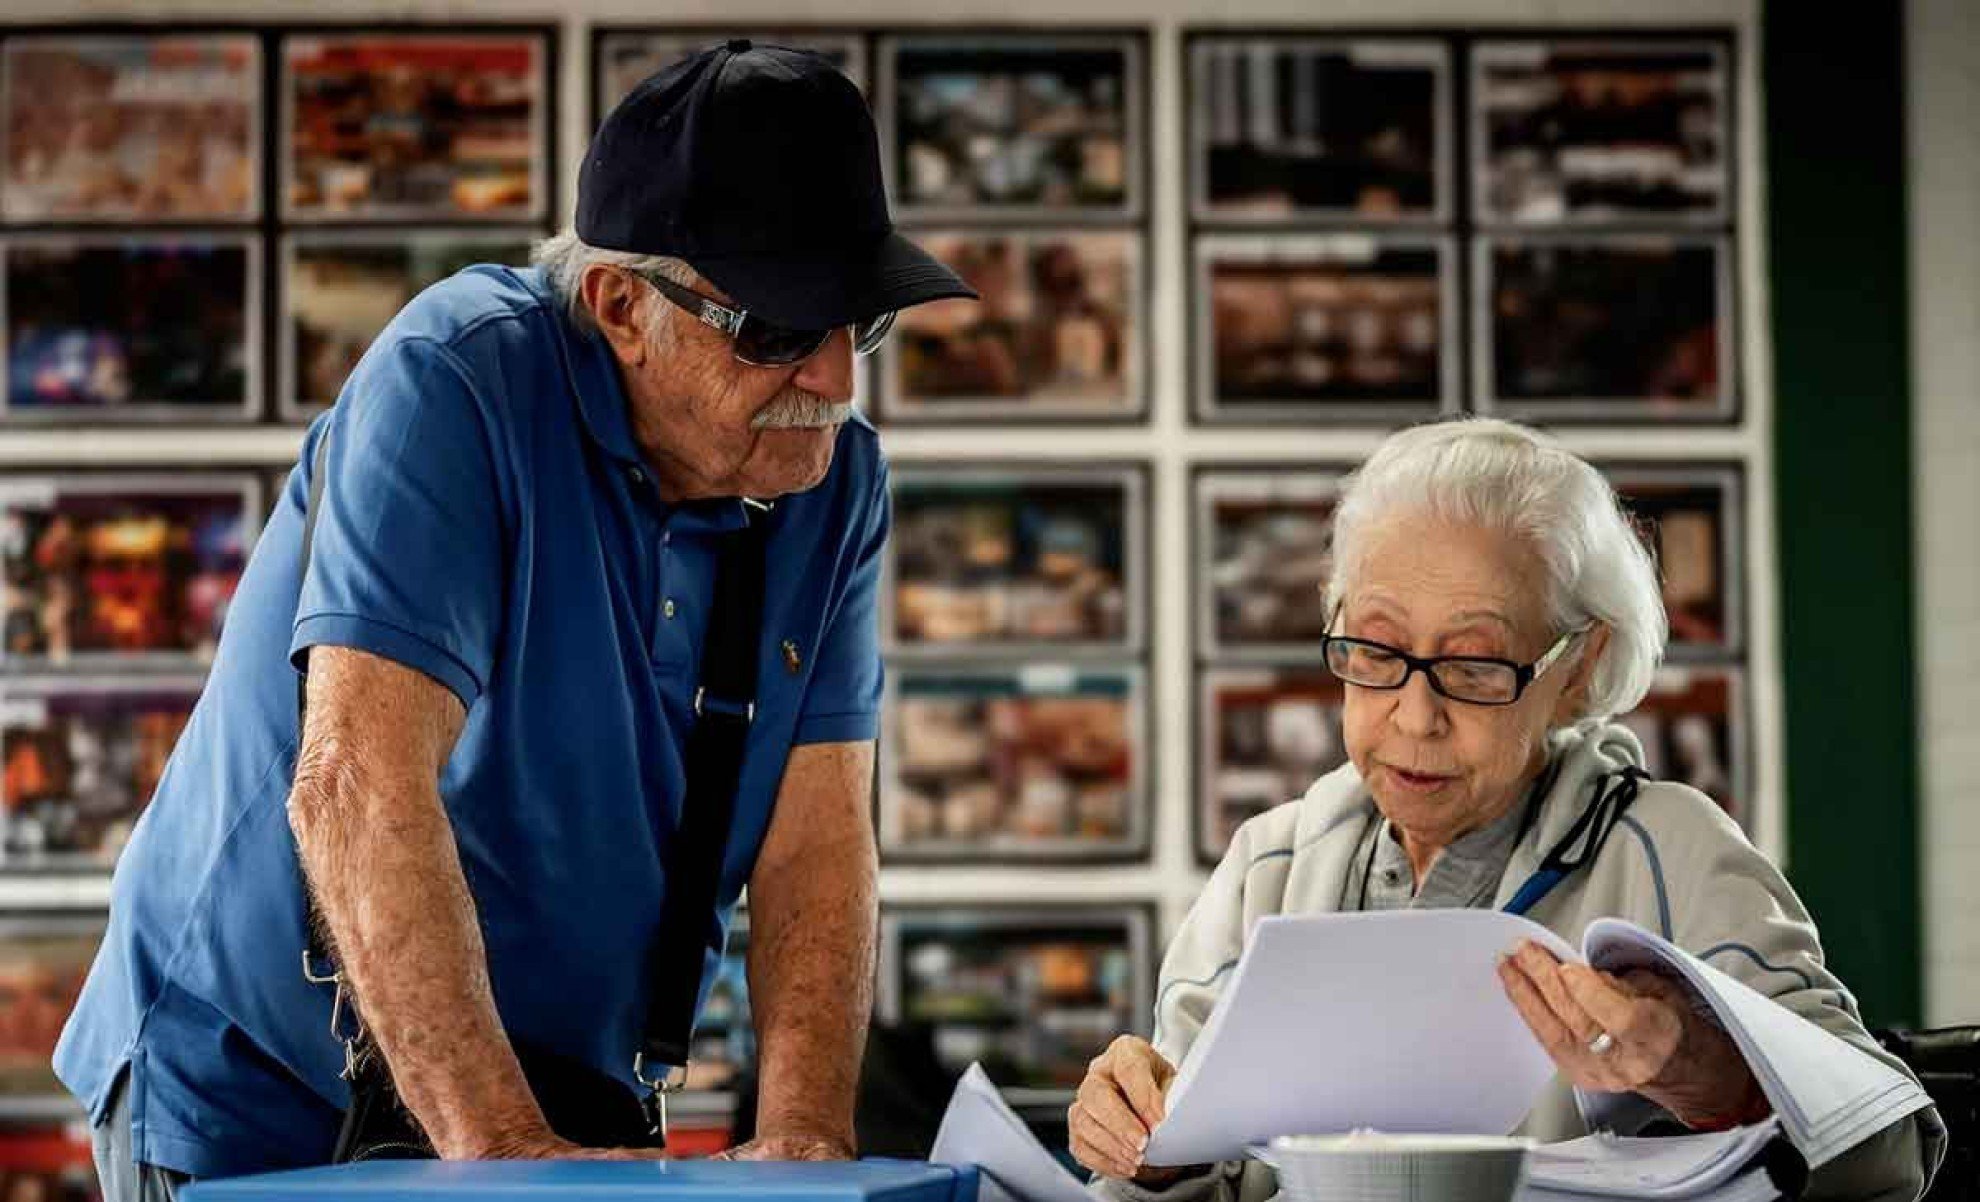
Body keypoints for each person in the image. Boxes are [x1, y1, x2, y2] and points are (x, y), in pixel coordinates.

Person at [56, 40, 975, 1200]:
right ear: (622, 304)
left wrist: (803, 1143)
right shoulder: (458, 381)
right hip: (261, 1083)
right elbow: (356, 779)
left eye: (860, 323)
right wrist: (504, 1158)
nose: (838, 377)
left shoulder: (830, 482)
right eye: (780, 331)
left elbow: (818, 834)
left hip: (554, 1090)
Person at [1069, 418, 1945, 1202]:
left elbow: (1888, 1154)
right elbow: (1179, 1169)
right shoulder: (1268, 865)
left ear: (1577, 669)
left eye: (1476, 666)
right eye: (1374, 650)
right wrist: (1147, 1154)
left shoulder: (1669, 852)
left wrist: (1703, 1074)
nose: (1416, 717)